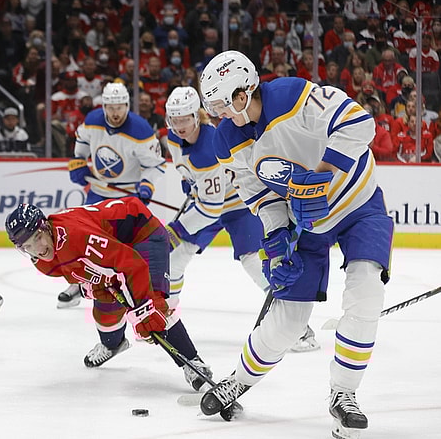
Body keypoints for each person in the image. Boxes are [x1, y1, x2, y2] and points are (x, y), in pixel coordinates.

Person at [198, 50, 393, 438]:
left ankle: (344, 394)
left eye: (224, 102)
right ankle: (238, 380)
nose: (221, 112)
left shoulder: (293, 95)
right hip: (306, 222)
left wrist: (320, 176)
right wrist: (275, 234)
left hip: (358, 205)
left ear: (245, 89)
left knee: (366, 291)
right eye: (214, 105)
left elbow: (360, 123)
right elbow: (255, 190)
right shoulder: (226, 140)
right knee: (288, 321)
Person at [163, 86, 319, 353]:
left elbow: (210, 209)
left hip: (237, 206)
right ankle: (167, 318)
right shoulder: (173, 139)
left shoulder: (208, 147)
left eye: (185, 119)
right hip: (210, 204)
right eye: (174, 120)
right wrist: (192, 184)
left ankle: (297, 326)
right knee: (175, 260)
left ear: (197, 116)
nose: (180, 126)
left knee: (253, 262)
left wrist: (177, 229)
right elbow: (198, 181)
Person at [5, 198, 212, 391]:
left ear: (46, 227)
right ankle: (113, 344)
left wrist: (143, 310)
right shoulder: (41, 260)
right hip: (113, 248)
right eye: (28, 246)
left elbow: (130, 264)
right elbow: (79, 269)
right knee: (105, 310)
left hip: (141, 234)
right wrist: (96, 284)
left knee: (153, 307)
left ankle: (192, 362)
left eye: (38, 238)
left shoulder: (75, 236)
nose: (38, 249)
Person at [61, 82, 166, 308]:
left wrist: (147, 184)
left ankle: (132, 289)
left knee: (127, 247)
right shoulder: (92, 121)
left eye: (120, 107)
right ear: (104, 106)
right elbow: (81, 142)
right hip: (98, 192)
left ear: (127, 105)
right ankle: (76, 285)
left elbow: (156, 165)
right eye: (111, 107)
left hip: (126, 199)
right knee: (79, 239)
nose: (115, 113)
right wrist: (78, 162)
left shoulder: (141, 130)